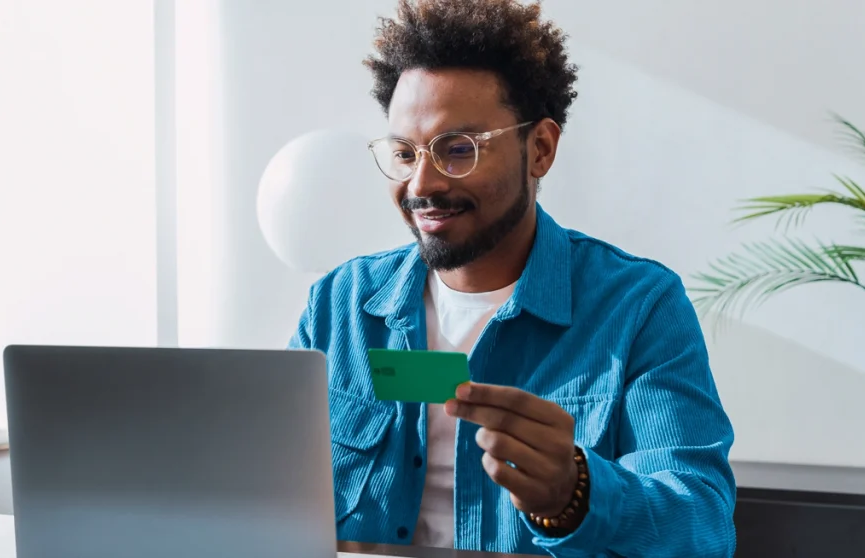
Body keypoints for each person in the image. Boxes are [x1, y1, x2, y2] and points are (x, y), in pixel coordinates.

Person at [288, 0, 737, 556]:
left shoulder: (639, 307)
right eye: (405, 152)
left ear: (540, 149)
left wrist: (576, 492)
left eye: (458, 150)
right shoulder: (340, 305)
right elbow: (266, 492)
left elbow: (701, 526)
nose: (421, 182)